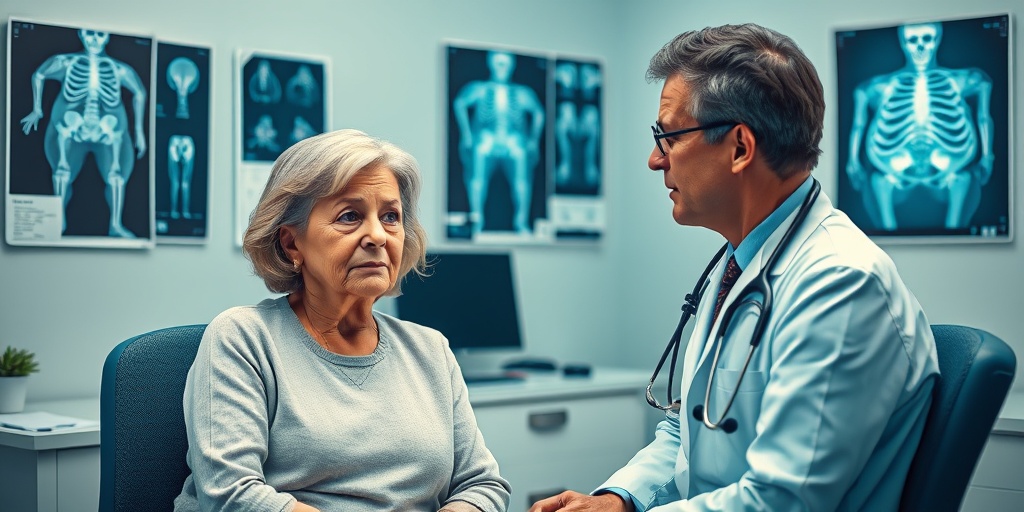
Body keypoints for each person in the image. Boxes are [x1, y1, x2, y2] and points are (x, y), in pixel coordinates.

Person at [530, 24, 939, 512]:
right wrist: (620, 499)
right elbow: (689, 429)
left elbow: (781, 501)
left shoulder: (841, 284)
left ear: (740, 147)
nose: (655, 160)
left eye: (668, 137)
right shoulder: (741, 264)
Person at [174, 129, 511, 512]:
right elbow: (231, 494)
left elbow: (482, 484)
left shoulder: (431, 350)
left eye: (390, 217)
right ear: (291, 243)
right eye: (349, 216)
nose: (377, 236)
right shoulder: (243, 339)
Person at [846, 21, 993, 231]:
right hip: (898, 162)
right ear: (904, 44)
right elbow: (859, 111)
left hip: (946, 160)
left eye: (927, 39)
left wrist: (987, 155)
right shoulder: (884, 85)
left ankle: (954, 236)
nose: (920, 46)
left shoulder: (957, 80)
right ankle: (888, 238)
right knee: (881, 180)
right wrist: (853, 161)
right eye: (913, 40)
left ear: (937, 41)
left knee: (961, 178)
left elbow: (983, 97)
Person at [20, 28, 148, 237]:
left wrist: (139, 130)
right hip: (75, 126)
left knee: (116, 172)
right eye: (90, 34)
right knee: (63, 163)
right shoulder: (66, 62)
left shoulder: (119, 69)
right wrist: (37, 110)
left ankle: (115, 225)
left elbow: (140, 92)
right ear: (81, 34)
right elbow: (39, 75)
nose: (94, 40)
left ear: (107, 37)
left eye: (100, 35)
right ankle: (58, 221)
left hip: (105, 129)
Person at [452, 50, 545, 235]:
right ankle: (477, 220)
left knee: (521, 178)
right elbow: (460, 103)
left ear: (512, 66)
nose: (502, 67)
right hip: (487, 138)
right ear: (491, 64)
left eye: (506, 63)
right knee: (478, 175)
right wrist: (467, 134)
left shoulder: (522, 92)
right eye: (498, 63)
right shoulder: (479, 88)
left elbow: (539, 112)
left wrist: (533, 140)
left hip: (513, 140)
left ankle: (521, 222)